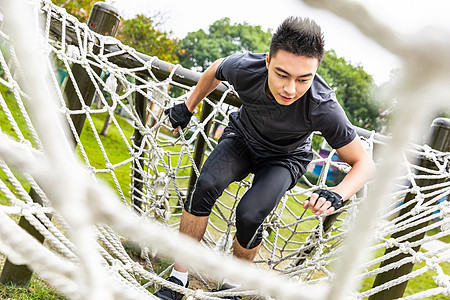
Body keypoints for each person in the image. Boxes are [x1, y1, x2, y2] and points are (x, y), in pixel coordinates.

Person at [155, 16, 375, 300]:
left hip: (285, 159)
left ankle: (233, 283)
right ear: (268, 61)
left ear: (316, 69)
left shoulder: (323, 106)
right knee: (206, 184)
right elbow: (215, 71)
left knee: (250, 214)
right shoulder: (247, 68)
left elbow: (364, 162)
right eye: (282, 74)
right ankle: (178, 277)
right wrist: (188, 106)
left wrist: (337, 193)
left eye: (303, 79)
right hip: (242, 139)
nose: (291, 89)